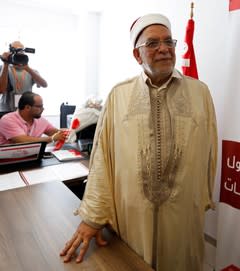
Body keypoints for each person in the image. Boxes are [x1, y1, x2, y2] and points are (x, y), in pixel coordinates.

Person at [60, 13, 218, 271]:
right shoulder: (119, 95)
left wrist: (203, 197)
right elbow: (102, 158)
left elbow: (210, 150)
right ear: (137, 55)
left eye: (169, 41)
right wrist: (93, 216)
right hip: (131, 216)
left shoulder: (200, 92)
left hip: (183, 214)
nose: (164, 49)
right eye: (153, 44)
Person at [0, 92, 66, 145]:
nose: (42, 109)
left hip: (32, 157)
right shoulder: (7, 120)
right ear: (27, 107)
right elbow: (22, 141)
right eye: (39, 107)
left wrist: (68, 132)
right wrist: (51, 139)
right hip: (9, 160)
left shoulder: (40, 120)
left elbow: (54, 132)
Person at [0, 41, 48, 113]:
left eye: (21, 51)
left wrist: (27, 68)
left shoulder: (31, 71)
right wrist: (6, 63)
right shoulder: (4, 68)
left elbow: (44, 85)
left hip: (25, 111)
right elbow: (1, 90)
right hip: (6, 110)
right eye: (15, 51)